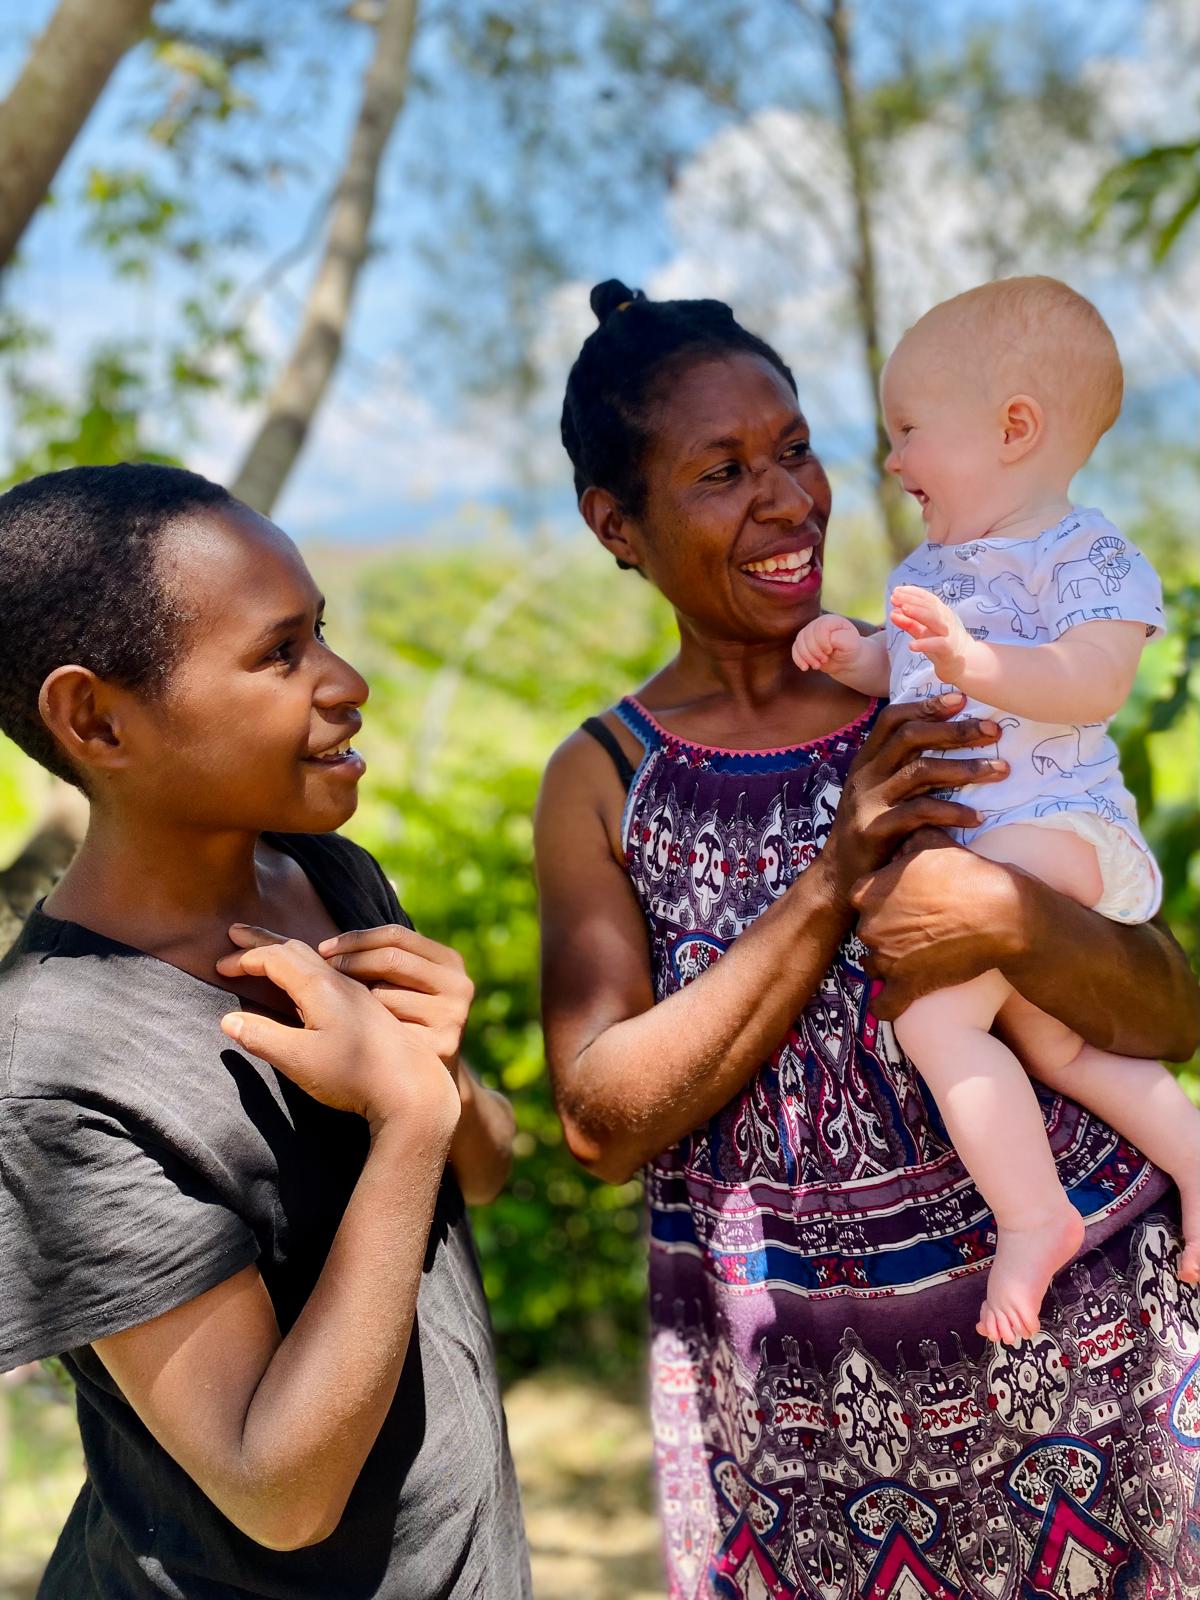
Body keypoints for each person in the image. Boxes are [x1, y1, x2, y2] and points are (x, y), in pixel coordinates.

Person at [536, 279, 1200, 1600]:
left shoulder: (943, 671)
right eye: (723, 472)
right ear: (616, 523)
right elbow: (601, 1122)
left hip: (1096, 1351)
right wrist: (835, 875)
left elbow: (1170, 1008)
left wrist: (1015, 917)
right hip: (804, 1422)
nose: (790, 500)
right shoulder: (606, 778)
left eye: (795, 449)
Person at [0, 465, 531, 1599]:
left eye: (320, 631)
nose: (348, 683)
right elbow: (277, 1492)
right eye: (281, 654)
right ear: (95, 719)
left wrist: (443, 1077)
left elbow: (481, 1169)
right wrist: (406, 1120)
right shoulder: (53, 1071)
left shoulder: (329, 878)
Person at [792, 275, 1200, 1348]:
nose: (892, 460)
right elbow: (909, 673)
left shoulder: (1086, 553)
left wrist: (978, 659)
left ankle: (1033, 1218)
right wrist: (855, 653)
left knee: (933, 1017)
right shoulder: (929, 567)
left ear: (1015, 429)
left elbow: (1092, 681)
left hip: (1067, 830)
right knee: (1059, 1045)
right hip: (997, 855)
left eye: (909, 431)